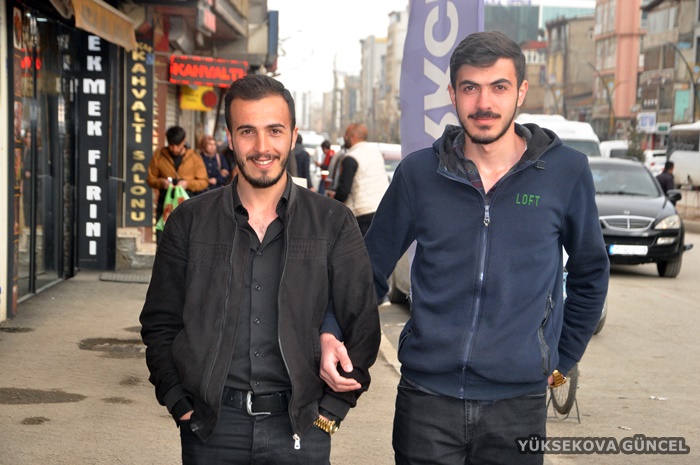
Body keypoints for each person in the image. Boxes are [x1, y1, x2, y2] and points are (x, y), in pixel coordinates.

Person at [320, 31, 610, 464]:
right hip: (426, 401)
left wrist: (560, 360)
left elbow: (590, 272)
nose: (483, 103)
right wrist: (331, 329)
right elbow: (367, 270)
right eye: (470, 88)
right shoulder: (419, 174)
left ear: (521, 92)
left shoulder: (565, 172)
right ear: (452, 94)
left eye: (499, 87)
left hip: (518, 406)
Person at [140, 74, 380, 465]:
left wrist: (331, 413)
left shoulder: (333, 222)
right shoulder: (188, 222)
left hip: (302, 427)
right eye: (247, 131)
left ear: (293, 136)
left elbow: (363, 325)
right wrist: (178, 401)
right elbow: (160, 322)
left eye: (275, 130)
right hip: (211, 429)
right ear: (230, 138)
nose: (262, 147)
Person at [326, 123, 389, 236]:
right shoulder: (376, 153)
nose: (344, 137)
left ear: (353, 137)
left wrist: (333, 197)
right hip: (381, 211)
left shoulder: (351, 158)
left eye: (346, 134)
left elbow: (344, 191)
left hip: (361, 214)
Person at [147, 126, 209, 242]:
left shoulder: (194, 157)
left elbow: (204, 181)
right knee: (163, 237)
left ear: (184, 141)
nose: (174, 149)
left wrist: (187, 184)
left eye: (177, 145)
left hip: (187, 201)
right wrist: (161, 182)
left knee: (185, 238)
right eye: (171, 145)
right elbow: (150, 179)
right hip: (166, 202)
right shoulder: (159, 155)